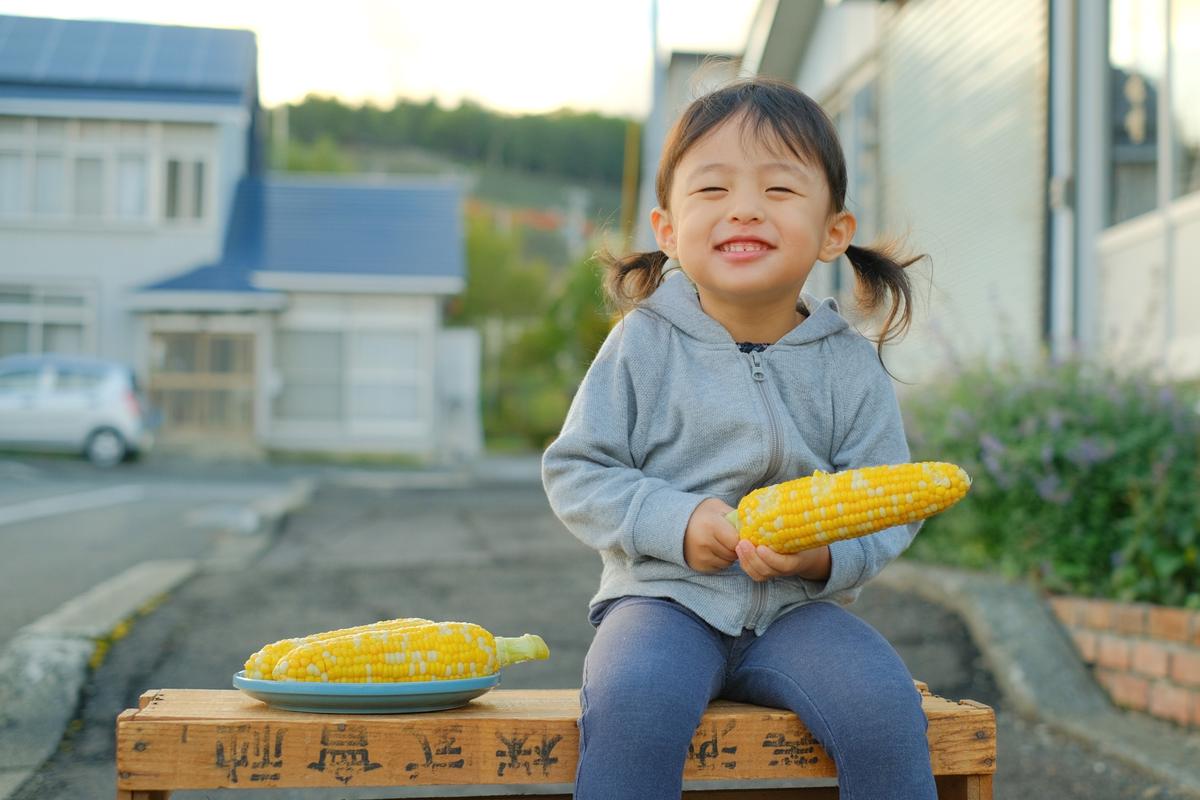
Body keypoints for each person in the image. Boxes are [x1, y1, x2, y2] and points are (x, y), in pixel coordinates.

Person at [541, 77, 935, 800]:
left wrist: (823, 554)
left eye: (780, 191)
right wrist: (677, 520)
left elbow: (891, 501)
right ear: (667, 230)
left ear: (832, 233)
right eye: (713, 190)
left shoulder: (847, 363)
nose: (744, 208)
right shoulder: (644, 344)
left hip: (797, 613)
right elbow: (578, 469)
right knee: (635, 702)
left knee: (884, 706)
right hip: (661, 601)